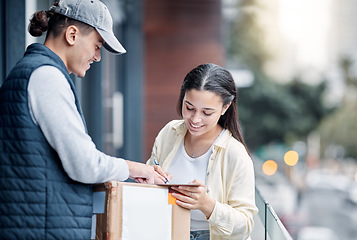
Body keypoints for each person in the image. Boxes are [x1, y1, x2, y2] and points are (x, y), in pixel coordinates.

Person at [0, 0, 163, 239]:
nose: (98, 57)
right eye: (97, 46)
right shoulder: (47, 76)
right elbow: (85, 164)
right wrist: (134, 168)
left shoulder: (34, 71)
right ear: (72, 34)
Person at [147, 63, 258, 240]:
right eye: (189, 108)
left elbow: (245, 224)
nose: (195, 119)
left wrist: (207, 205)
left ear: (225, 107)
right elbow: (147, 187)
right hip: (167, 231)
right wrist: (149, 178)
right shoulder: (170, 133)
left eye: (207, 112)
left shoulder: (235, 154)